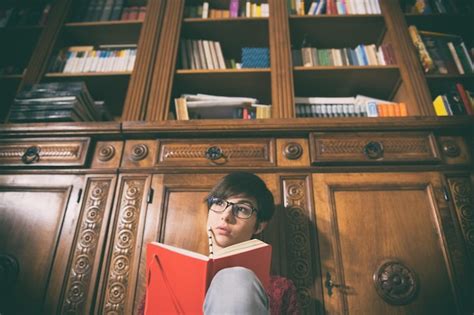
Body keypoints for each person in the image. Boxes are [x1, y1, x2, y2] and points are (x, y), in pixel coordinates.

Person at [140, 172, 299, 314]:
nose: (226, 215)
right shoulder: (164, 277)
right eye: (219, 202)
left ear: (259, 226)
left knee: (236, 277)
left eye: (242, 209)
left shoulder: (281, 288)